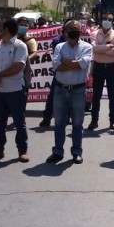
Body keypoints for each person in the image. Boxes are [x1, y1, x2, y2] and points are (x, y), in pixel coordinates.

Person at [46, 20, 92, 164]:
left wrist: (67, 62)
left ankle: (77, 152)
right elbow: (56, 66)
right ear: (65, 32)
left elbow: (83, 64)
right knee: (59, 123)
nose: (74, 31)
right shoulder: (59, 46)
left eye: (77, 29)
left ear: (81, 31)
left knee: (77, 124)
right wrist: (75, 63)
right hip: (60, 89)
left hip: (78, 90)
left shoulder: (87, 47)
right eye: (71, 29)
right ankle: (58, 152)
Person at [0, 18, 29, 163]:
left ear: (7, 30)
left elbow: (18, 67)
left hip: (15, 90)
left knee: (19, 121)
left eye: (1, 28)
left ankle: (22, 150)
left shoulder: (20, 46)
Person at [88, 12, 114, 131]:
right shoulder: (94, 34)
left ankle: (113, 121)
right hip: (98, 67)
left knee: (112, 96)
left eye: (109, 19)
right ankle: (94, 121)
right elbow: (94, 48)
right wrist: (109, 47)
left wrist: (101, 49)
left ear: (113, 21)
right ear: (100, 20)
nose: (107, 20)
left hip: (112, 67)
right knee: (96, 96)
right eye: (104, 18)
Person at [38, 27, 67, 128]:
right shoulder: (57, 41)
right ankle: (47, 118)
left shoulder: (79, 41)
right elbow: (58, 59)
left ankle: (67, 117)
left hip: (73, 73)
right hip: (59, 73)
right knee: (52, 97)